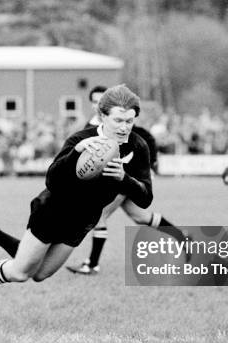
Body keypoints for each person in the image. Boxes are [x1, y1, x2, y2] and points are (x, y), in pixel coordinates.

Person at [0, 84, 153, 319]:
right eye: (118, 120)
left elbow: (145, 198)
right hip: (53, 211)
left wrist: (124, 179)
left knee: (41, 274)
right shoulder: (82, 139)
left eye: (129, 121)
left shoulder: (138, 147)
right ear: (102, 116)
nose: (124, 127)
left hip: (83, 220)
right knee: (21, 272)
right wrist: (76, 154)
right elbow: (52, 180)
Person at [66, 85, 187, 275]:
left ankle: (92, 264)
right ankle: (181, 239)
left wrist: (150, 165)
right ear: (93, 106)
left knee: (99, 216)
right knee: (141, 217)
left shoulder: (121, 122)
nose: (98, 103)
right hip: (108, 181)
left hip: (122, 178)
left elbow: (146, 138)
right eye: (95, 100)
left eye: (102, 99)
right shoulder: (89, 127)